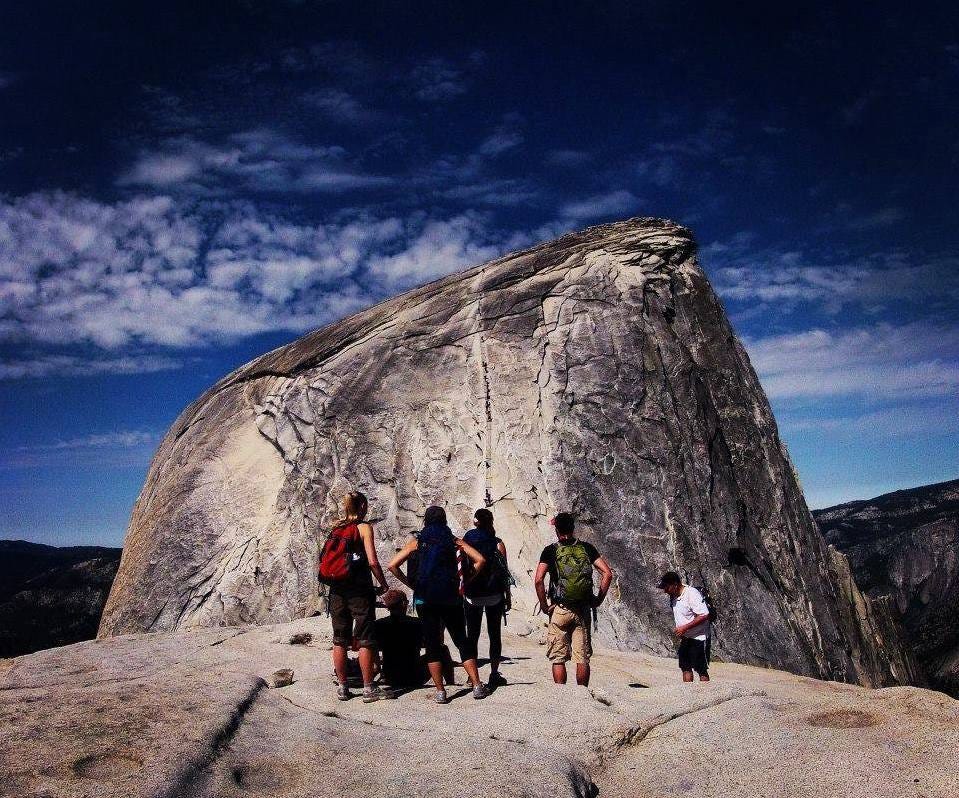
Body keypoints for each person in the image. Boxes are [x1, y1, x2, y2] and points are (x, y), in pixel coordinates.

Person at [388, 506, 490, 703]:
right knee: (462, 641)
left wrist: (411, 584)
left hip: (425, 599)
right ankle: (477, 686)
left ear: (426, 520)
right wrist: (466, 580)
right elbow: (480, 559)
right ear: (444, 521)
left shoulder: (418, 542)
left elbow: (392, 565)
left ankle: (440, 692)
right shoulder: (453, 541)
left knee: (432, 644)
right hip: (451, 598)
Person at [323, 491, 391, 702]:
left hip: (336, 589)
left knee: (339, 640)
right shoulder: (363, 528)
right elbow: (372, 561)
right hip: (359, 591)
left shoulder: (336, 528)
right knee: (365, 639)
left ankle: (343, 687)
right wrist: (383, 583)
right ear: (361, 507)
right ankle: (369, 688)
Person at [534, 512, 613, 687]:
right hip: (582, 610)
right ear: (573, 528)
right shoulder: (587, 548)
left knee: (558, 657)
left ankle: (562, 696)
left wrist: (545, 606)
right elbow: (607, 573)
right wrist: (598, 599)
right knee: (582, 657)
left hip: (560, 609)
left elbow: (539, 579)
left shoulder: (550, 550)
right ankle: (582, 696)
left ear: (557, 530)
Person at [462, 508, 510, 688]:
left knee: (471, 635)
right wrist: (508, 597)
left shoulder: (468, 539)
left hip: (472, 594)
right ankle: (494, 673)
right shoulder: (498, 543)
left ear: (476, 522)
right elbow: (505, 574)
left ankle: (471, 676)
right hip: (495, 595)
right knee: (494, 634)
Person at [658, 570, 711, 682]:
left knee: (701, 669)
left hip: (699, 637)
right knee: (685, 667)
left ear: (675, 585)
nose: (665, 590)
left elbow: (704, 614)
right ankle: (688, 695)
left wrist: (684, 628)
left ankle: (706, 696)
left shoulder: (691, 594)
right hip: (686, 638)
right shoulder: (673, 596)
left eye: (667, 587)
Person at [375, 589, 427, 687]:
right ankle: (450, 683)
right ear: (404, 603)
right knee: (442, 649)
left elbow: (376, 648)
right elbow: (427, 644)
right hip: (414, 676)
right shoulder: (417, 623)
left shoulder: (379, 624)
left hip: (390, 676)